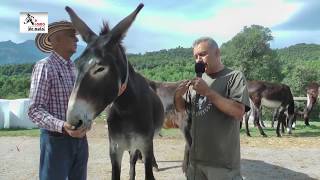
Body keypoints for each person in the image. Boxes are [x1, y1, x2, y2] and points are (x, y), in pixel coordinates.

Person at [174, 37, 250, 180]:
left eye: (202, 54)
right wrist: (178, 97)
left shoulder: (234, 77)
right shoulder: (197, 82)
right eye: (195, 56)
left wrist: (208, 92)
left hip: (222, 165)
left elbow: (238, 111)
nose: (198, 60)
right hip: (195, 163)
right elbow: (182, 111)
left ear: (217, 53)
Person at [28, 21, 88, 180]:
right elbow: (34, 109)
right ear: (55, 40)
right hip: (56, 141)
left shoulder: (74, 69)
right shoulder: (44, 67)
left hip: (80, 140)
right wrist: (63, 126)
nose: (76, 40)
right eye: (71, 36)